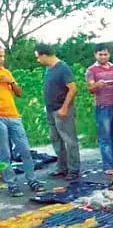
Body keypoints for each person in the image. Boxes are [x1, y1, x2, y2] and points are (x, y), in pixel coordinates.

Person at [0, 47, 45, 196]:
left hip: (13, 116)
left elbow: (19, 94)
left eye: (2, 56)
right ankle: (11, 183)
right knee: (4, 153)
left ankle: (32, 180)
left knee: (25, 149)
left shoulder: (6, 72)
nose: (1, 59)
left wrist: (11, 82)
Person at [35, 43, 81, 181]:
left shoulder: (63, 68)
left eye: (38, 57)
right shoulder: (49, 69)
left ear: (44, 55)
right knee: (56, 140)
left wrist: (65, 108)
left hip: (62, 109)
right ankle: (62, 167)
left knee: (69, 140)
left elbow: (73, 89)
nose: (38, 60)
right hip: (50, 110)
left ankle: (74, 169)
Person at [86, 43, 113, 175]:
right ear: (95, 55)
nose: (103, 56)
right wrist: (97, 84)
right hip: (102, 105)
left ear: (109, 54)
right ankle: (108, 165)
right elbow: (90, 89)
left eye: (105, 54)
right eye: (100, 54)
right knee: (105, 137)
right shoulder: (91, 70)